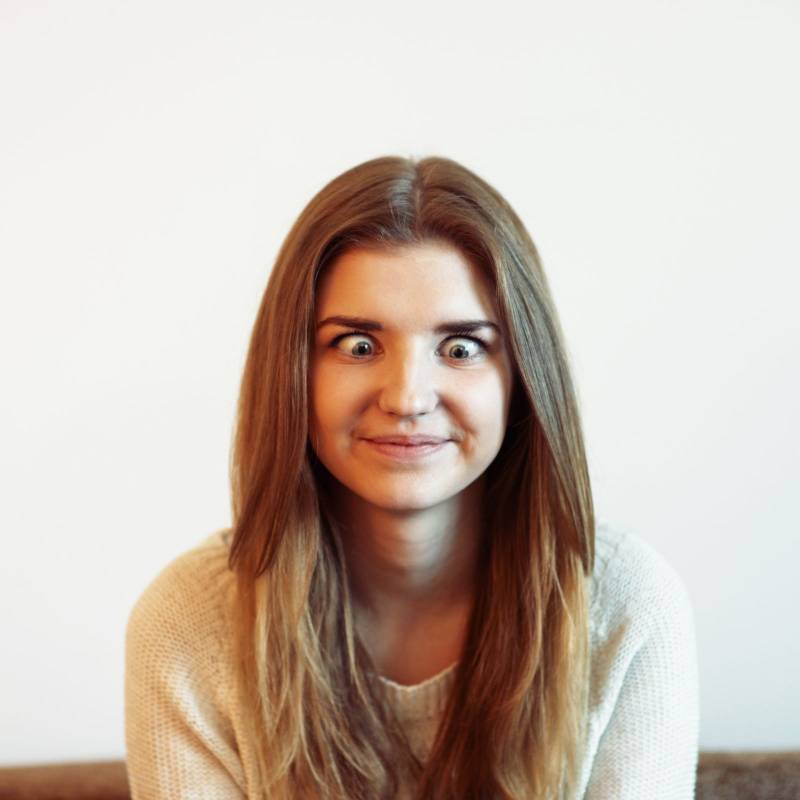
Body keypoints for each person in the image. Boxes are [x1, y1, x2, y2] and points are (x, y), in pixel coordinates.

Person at [124, 156, 699, 799]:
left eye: (461, 348)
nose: (407, 398)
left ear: (523, 379)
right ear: (292, 371)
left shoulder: (625, 607)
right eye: (358, 345)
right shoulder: (188, 624)